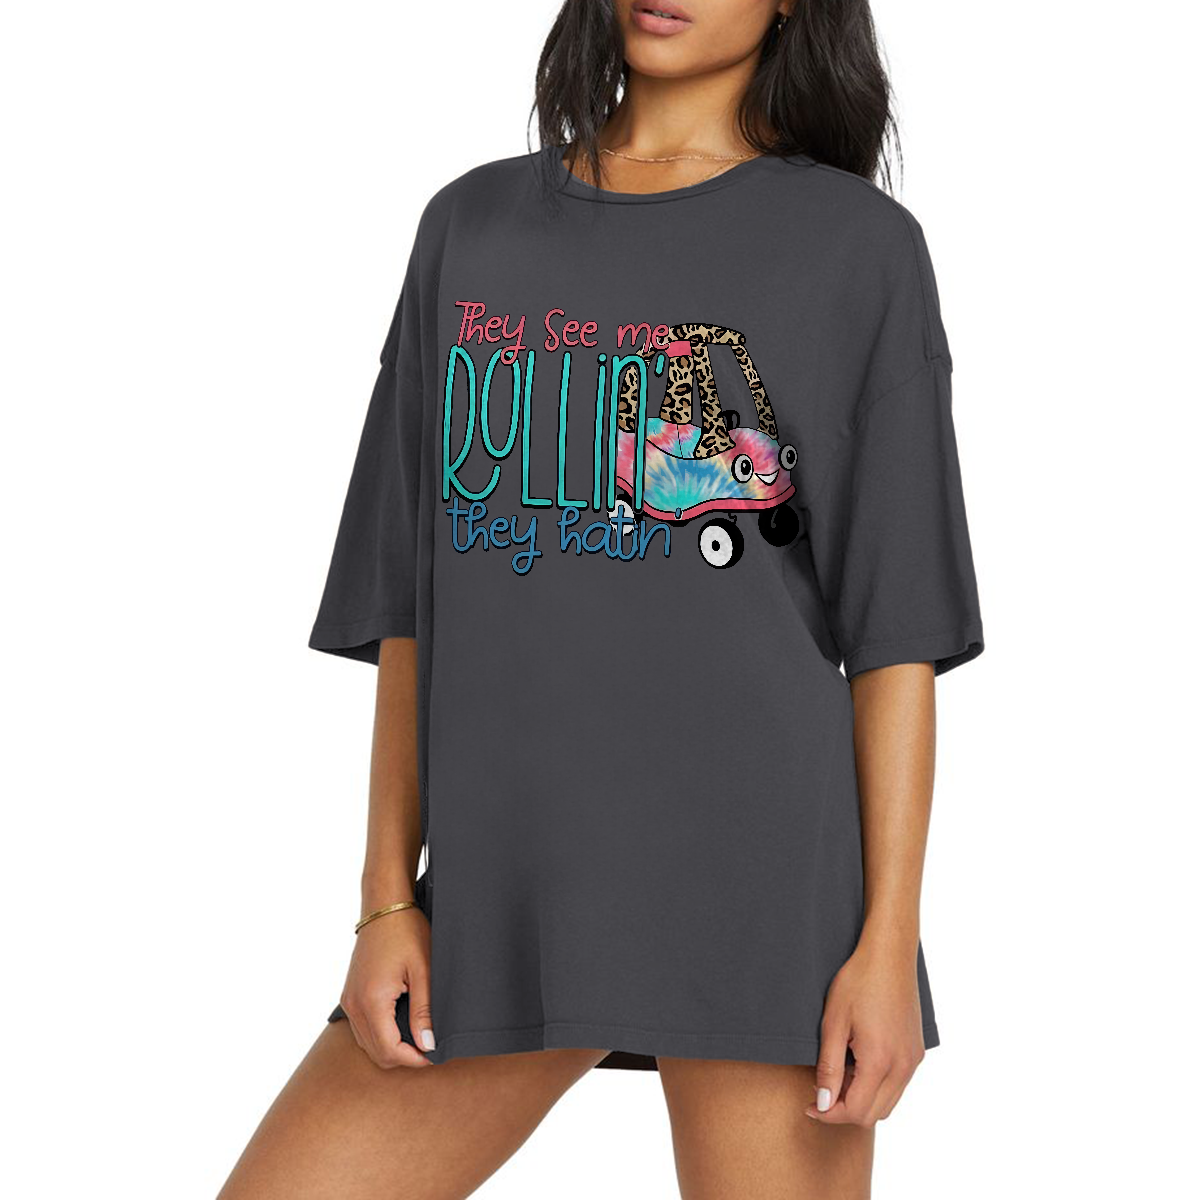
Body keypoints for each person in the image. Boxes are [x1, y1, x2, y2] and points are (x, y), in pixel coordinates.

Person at [218, 1, 983, 1195]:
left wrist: (887, 944)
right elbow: (410, 602)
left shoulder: (857, 247)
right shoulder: (471, 226)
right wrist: (385, 902)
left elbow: (897, 637)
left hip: (760, 886)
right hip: (503, 891)